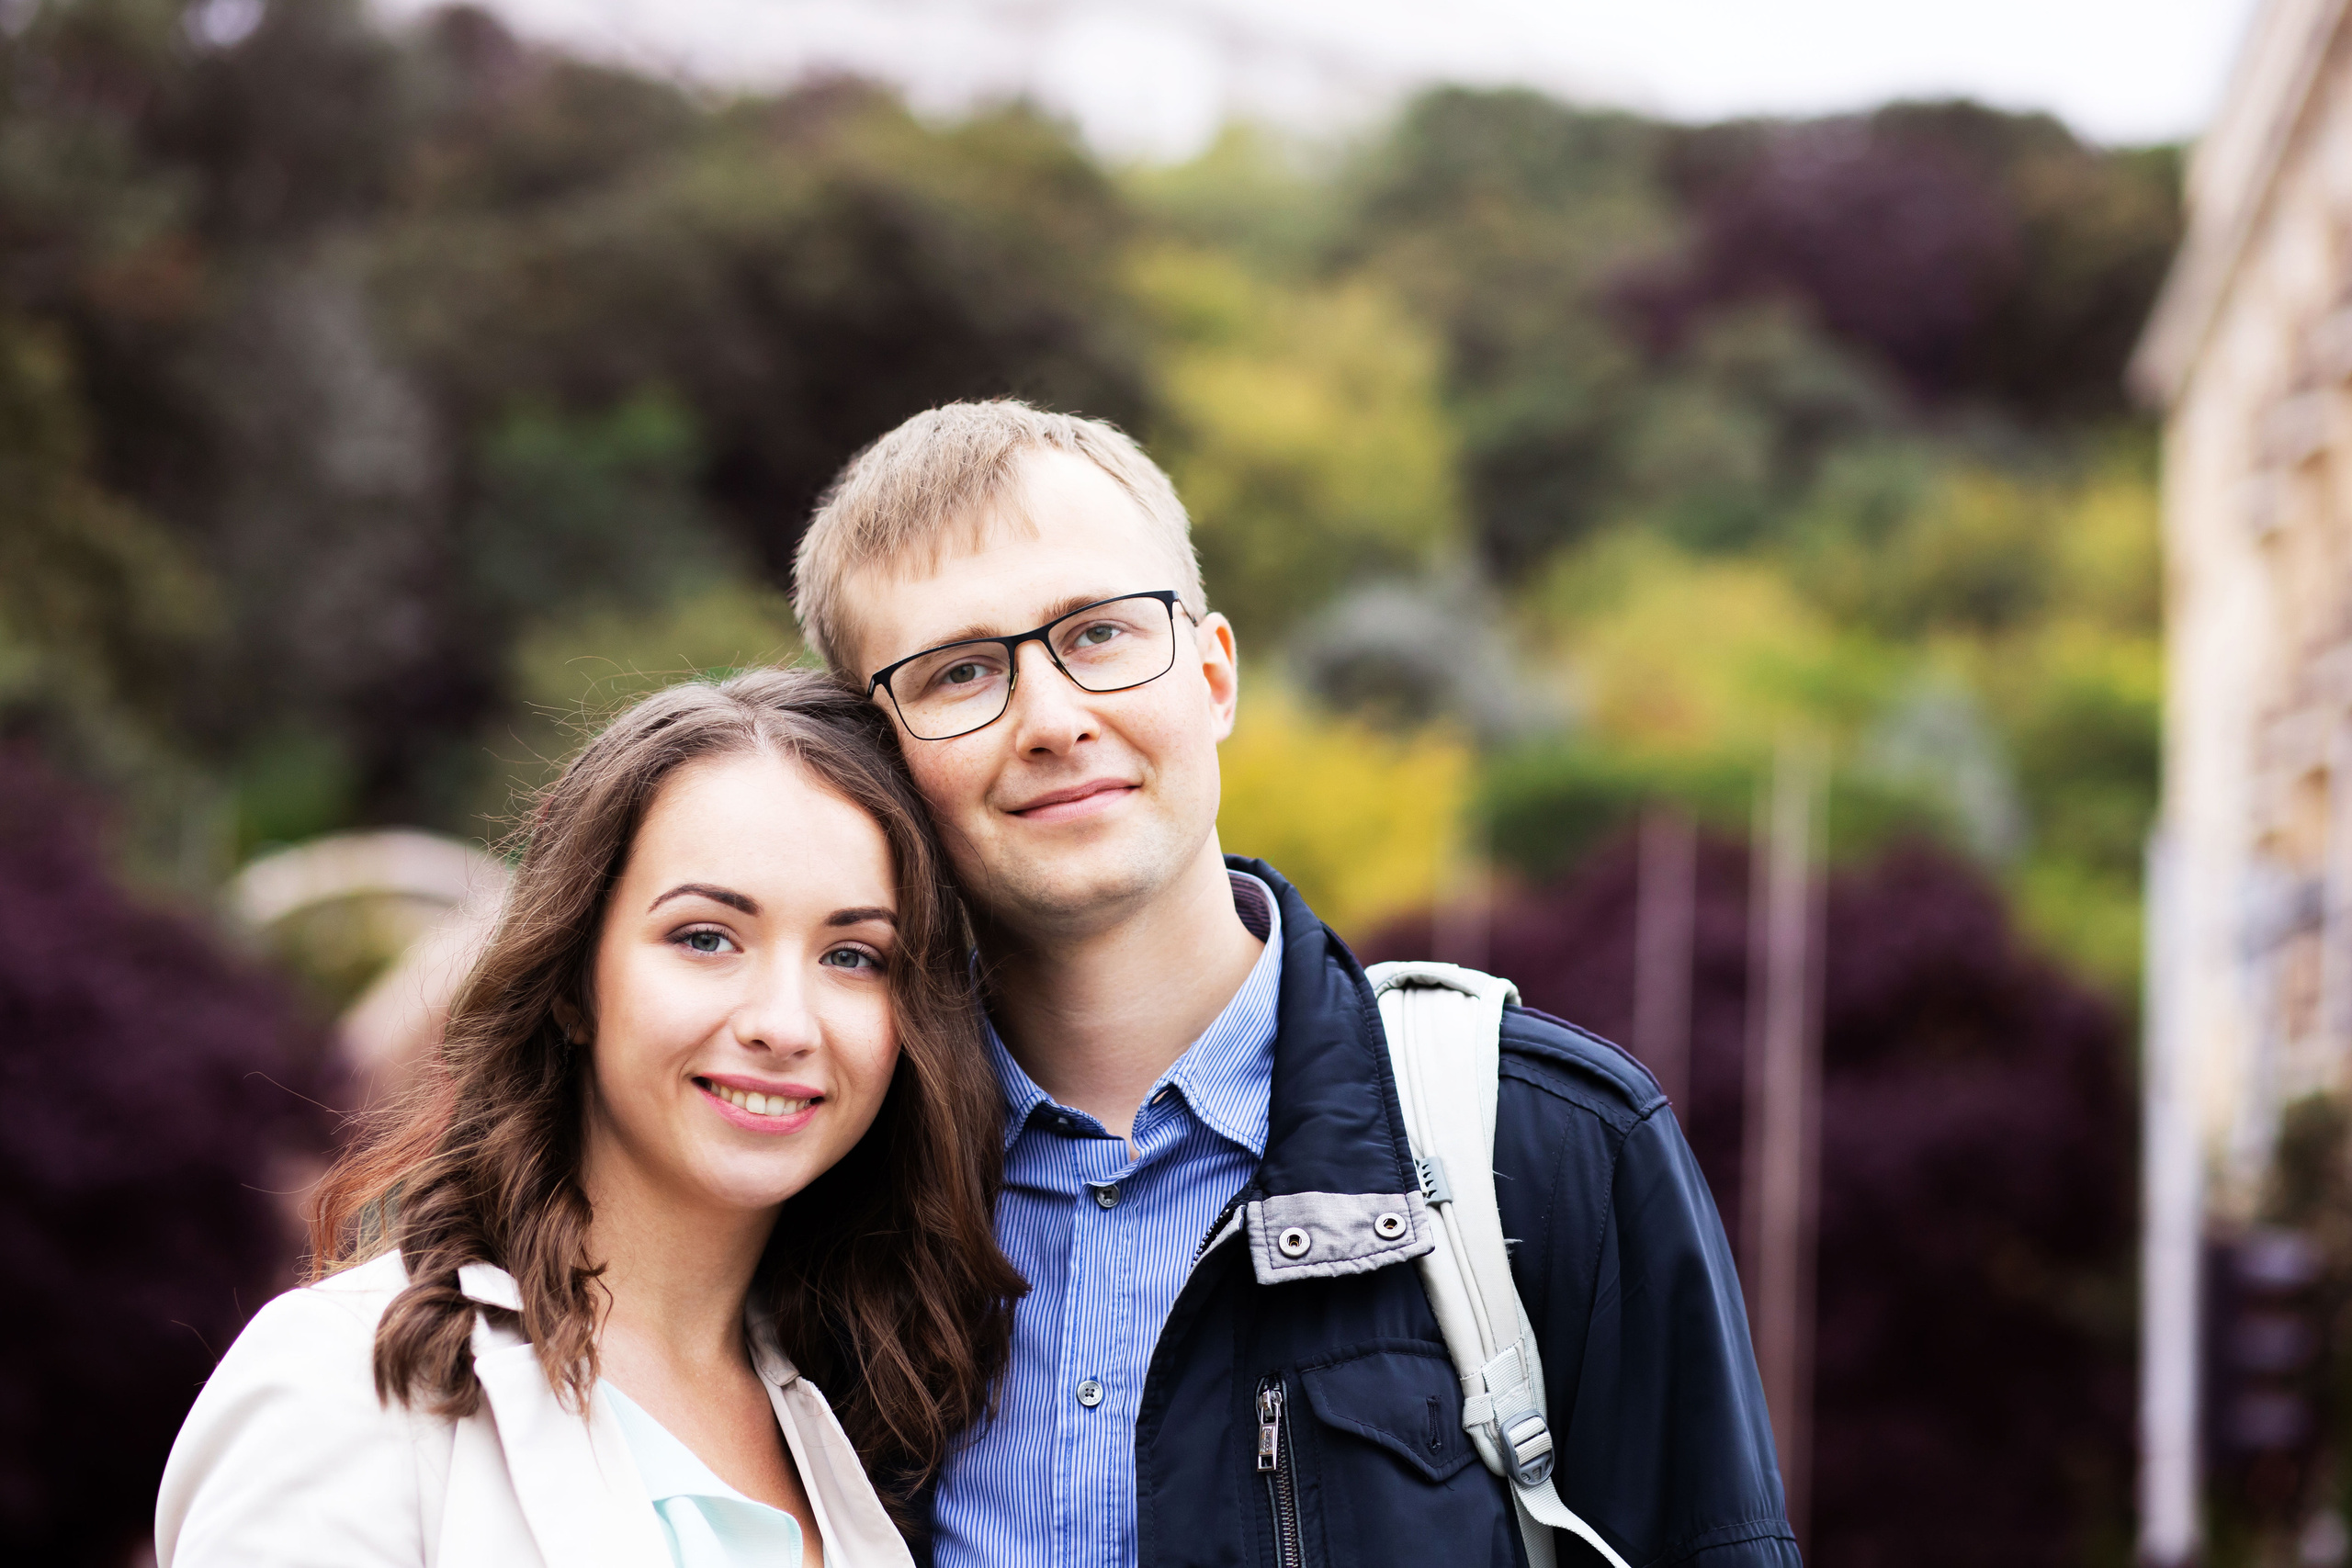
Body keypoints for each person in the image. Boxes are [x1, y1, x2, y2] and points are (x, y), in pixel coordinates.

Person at [791, 400, 1802, 1568]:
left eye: (1100, 634)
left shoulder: (1551, 1143)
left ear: (1213, 676)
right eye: (959, 672)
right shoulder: (826, 1181)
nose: (1053, 720)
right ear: (877, 759)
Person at [155, 670, 1023, 1568]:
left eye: (852, 955)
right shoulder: (350, 1382)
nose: (782, 1023)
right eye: (704, 938)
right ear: (574, 982)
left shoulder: (869, 1427)